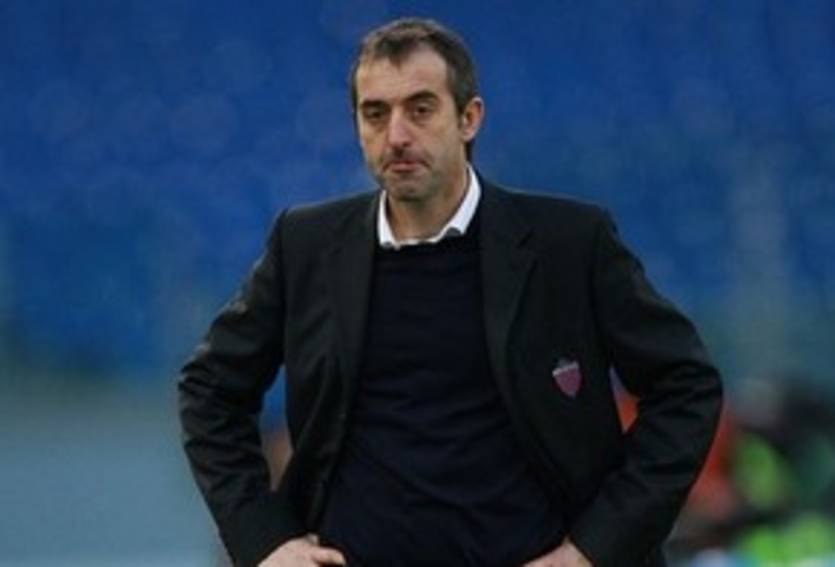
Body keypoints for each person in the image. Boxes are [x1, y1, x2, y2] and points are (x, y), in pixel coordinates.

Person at [178, 17, 723, 567]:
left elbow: (686, 387)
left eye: (420, 109)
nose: (396, 135)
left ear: (469, 118)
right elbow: (209, 389)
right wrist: (265, 541)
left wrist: (594, 549)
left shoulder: (570, 243)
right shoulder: (305, 245)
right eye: (375, 114)